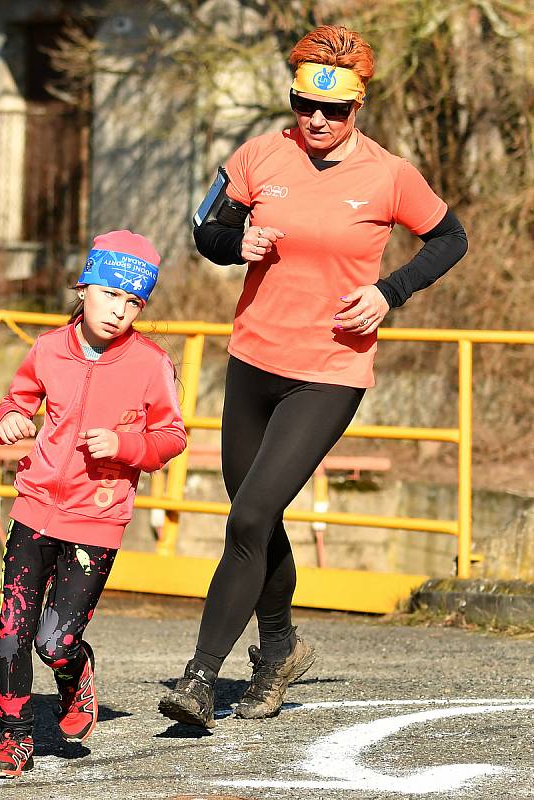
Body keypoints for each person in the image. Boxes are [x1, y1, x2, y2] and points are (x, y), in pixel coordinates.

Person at [159, 25, 468, 729]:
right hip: (253, 361)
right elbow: (206, 230)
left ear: (359, 108)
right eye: (305, 106)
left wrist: (391, 292)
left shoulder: (389, 174)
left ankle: (200, 678)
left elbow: (451, 238)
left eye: (334, 111)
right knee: (257, 518)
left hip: (330, 370)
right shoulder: (259, 155)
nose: (317, 121)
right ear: (293, 99)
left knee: (251, 516)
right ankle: (279, 651)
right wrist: (234, 243)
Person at [0, 230, 186, 778]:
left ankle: (76, 671)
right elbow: (11, 402)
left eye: (133, 302)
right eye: (110, 294)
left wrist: (127, 446)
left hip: (96, 519)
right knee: (11, 631)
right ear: (83, 288)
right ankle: (14, 739)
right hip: (33, 507)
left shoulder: (150, 363)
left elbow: (171, 435)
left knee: (55, 641)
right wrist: (9, 422)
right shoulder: (47, 348)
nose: (120, 311)